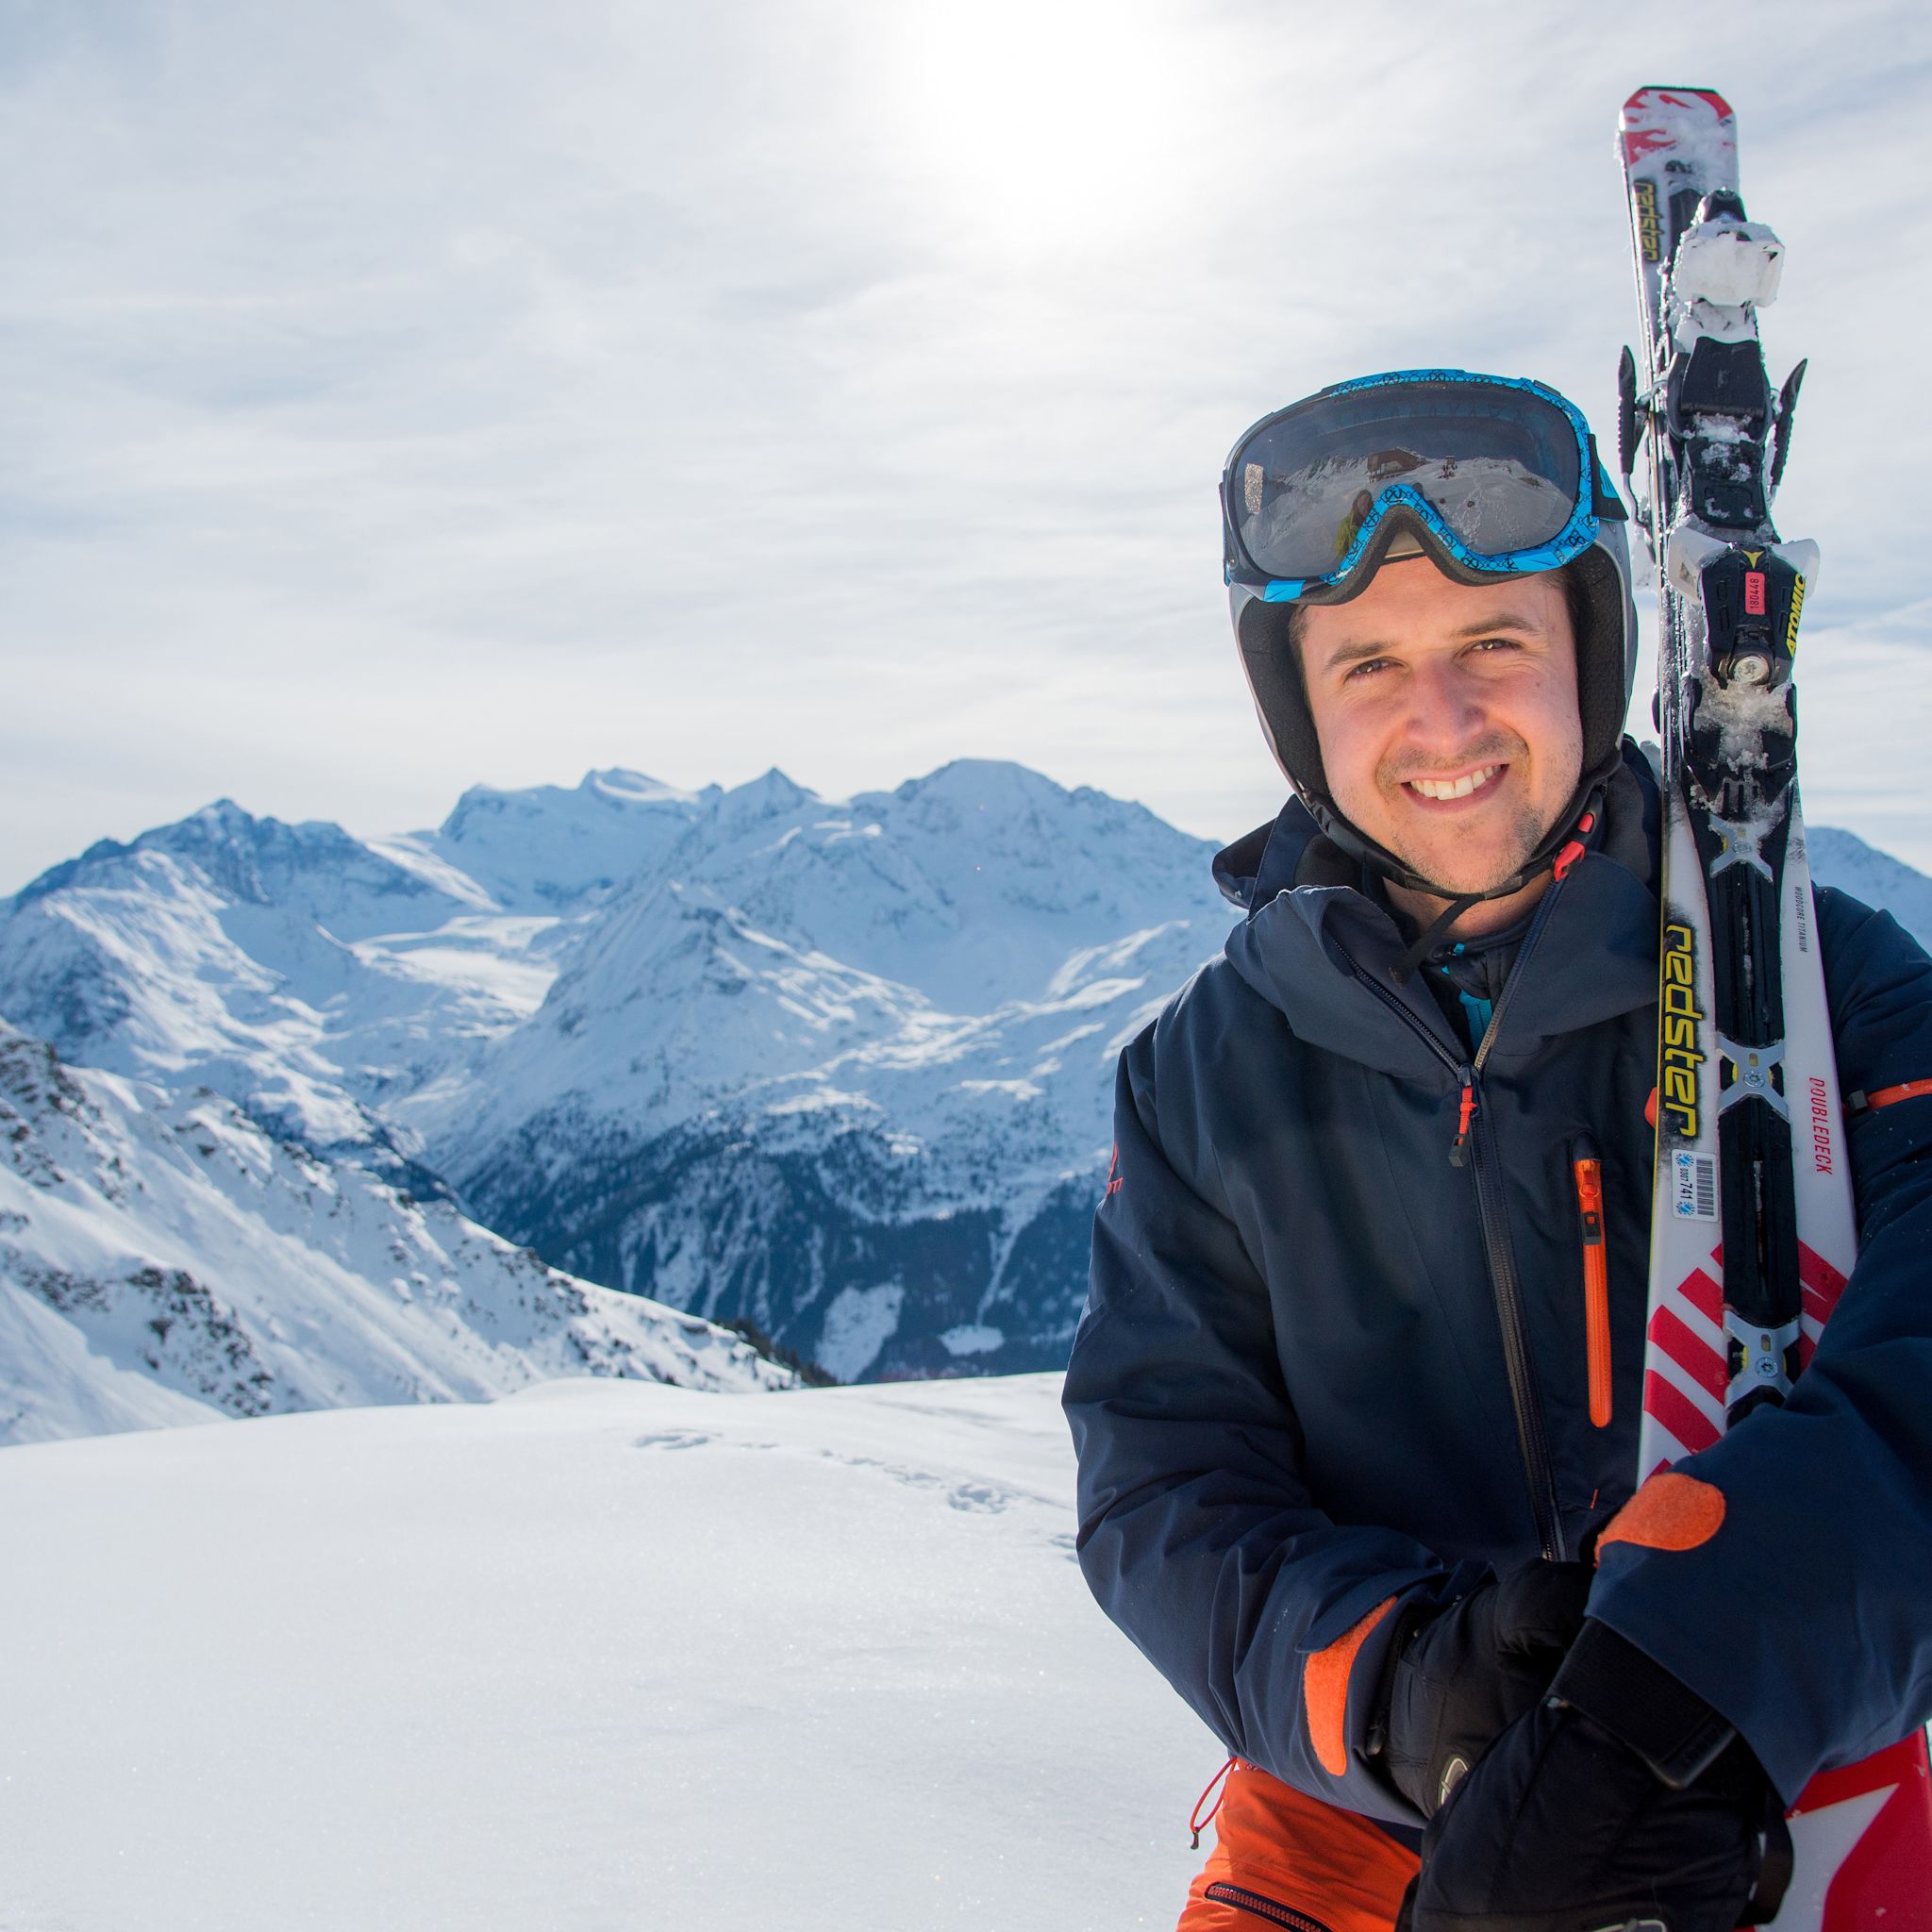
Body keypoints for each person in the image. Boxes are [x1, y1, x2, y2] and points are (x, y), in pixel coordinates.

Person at [1062, 370, 1932, 1932]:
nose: (1442, 722)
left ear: (1590, 663)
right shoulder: (1202, 1080)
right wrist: (1410, 1689)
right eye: (1372, 664)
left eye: (1493, 644)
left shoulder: (1836, 1000)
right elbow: (1162, 1486)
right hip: (1364, 1796)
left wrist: (1681, 1695)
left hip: (1778, 1758)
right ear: (1299, 711)